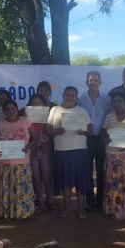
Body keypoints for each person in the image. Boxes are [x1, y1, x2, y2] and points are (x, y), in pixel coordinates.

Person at [46, 86, 92, 218]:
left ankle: (81, 209)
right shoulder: (55, 110)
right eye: (67, 95)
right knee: (65, 183)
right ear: (63, 96)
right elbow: (48, 129)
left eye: (72, 95)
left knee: (80, 183)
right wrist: (57, 131)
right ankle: (66, 208)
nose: (69, 97)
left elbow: (91, 130)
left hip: (79, 151)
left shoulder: (82, 111)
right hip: (61, 151)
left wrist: (83, 131)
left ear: (76, 97)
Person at [0, 100, 36, 219]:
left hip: (22, 163)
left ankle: (23, 212)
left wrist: (27, 147)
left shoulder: (25, 121)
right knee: (8, 189)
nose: (10, 111)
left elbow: (35, 138)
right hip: (6, 163)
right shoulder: (0, 124)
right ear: (4, 112)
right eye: (7, 109)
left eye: (13, 108)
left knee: (22, 188)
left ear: (17, 109)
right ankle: (9, 213)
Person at [78, 71, 110, 212]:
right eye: (91, 80)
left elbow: (111, 117)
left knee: (102, 170)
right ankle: (90, 199)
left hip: (102, 139)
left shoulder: (107, 99)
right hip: (86, 139)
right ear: (86, 82)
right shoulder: (80, 99)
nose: (94, 83)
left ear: (100, 82)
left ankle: (101, 199)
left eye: (96, 80)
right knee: (88, 170)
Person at [25, 94, 54, 212]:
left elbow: (52, 131)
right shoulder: (25, 117)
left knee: (47, 176)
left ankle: (50, 200)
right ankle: (40, 202)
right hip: (32, 149)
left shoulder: (49, 115)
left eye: (39, 103)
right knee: (36, 176)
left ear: (44, 104)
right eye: (34, 103)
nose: (36, 106)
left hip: (45, 148)